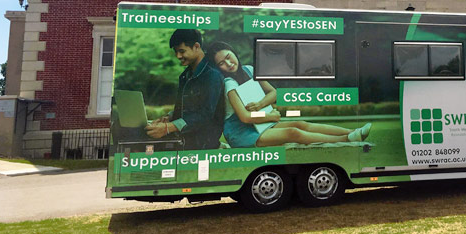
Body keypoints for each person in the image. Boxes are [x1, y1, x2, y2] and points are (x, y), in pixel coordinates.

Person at [205, 41, 370, 148]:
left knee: (300, 123)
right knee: (293, 133)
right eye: (221, 63)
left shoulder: (249, 70)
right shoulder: (229, 84)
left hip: (260, 121)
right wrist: (271, 117)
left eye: (228, 57)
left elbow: (273, 93)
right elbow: (245, 118)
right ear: (218, 67)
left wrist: (261, 105)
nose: (228, 63)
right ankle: (348, 140)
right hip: (241, 132)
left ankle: (351, 131)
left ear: (234, 52)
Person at [145, 29, 225, 150]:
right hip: (183, 138)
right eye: (176, 52)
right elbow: (185, 108)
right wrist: (168, 118)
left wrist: (168, 127)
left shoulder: (212, 75)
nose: (178, 56)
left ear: (196, 47)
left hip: (201, 144)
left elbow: (205, 115)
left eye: (182, 51)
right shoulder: (185, 76)